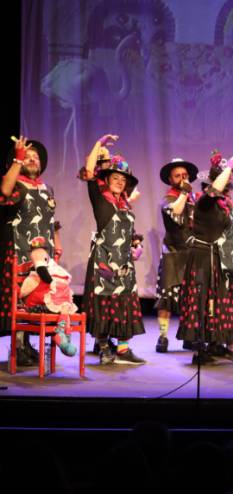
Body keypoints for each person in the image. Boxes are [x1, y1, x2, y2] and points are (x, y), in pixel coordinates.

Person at [176, 152, 233, 365]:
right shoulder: (205, 201)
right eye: (225, 183)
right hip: (202, 257)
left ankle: (219, 345)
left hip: (218, 257)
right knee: (201, 300)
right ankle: (200, 350)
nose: (227, 188)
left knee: (218, 300)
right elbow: (214, 190)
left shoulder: (224, 206)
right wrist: (229, 167)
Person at [79, 135, 145, 365]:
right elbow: (89, 172)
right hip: (104, 260)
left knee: (124, 303)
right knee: (104, 303)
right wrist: (99, 143)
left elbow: (129, 232)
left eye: (122, 179)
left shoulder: (125, 204)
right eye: (115, 178)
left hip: (125, 262)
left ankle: (123, 350)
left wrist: (137, 246)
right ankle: (105, 347)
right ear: (106, 180)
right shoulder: (101, 200)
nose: (119, 182)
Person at [0, 135, 62, 365]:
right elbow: (4, 190)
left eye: (35, 157)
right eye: (27, 157)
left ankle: (27, 344)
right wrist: (18, 159)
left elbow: (51, 219)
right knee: (19, 297)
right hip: (20, 250)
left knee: (36, 298)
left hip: (44, 253)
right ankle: (17, 347)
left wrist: (57, 242)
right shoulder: (16, 184)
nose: (32, 159)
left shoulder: (47, 188)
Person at [154, 158, 198, 353]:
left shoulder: (193, 200)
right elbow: (176, 212)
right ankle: (163, 336)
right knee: (167, 298)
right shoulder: (169, 199)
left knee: (191, 297)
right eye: (178, 176)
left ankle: (188, 335)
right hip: (172, 252)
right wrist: (184, 192)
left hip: (191, 253)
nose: (182, 178)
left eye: (185, 175)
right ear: (170, 180)